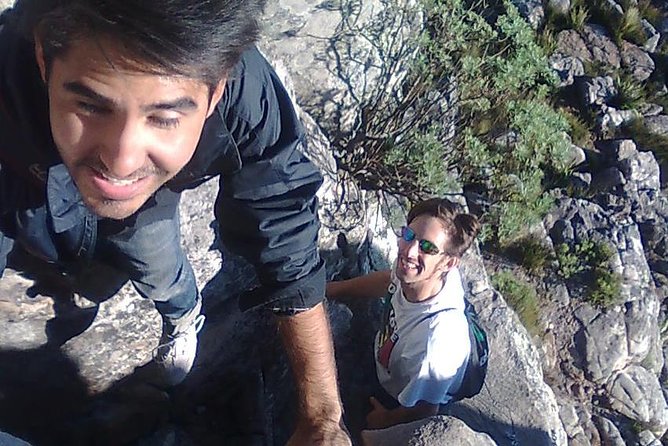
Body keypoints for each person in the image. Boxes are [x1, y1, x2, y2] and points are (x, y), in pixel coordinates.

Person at [0, 0, 350, 443]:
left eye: (163, 118)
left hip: (148, 203)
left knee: (155, 259)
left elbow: (284, 230)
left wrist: (322, 417)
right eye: (90, 106)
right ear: (42, 59)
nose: (121, 159)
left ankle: (182, 315)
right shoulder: (7, 65)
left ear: (215, 94)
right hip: (22, 179)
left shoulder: (247, 97)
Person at [326, 198, 480, 431]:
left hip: (397, 397)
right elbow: (389, 281)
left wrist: (384, 421)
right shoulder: (418, 274)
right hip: (388, 363)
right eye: (408, 235)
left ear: (449, 263)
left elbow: (425, 410)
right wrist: (332, 290)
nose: (409, 251)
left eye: (428, 248)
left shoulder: (435, 346)